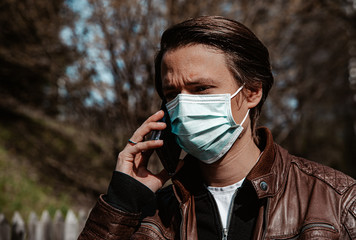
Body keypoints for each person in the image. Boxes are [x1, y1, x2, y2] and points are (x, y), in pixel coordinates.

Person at [78, 16, 356, 239]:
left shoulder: (336, 200)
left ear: (252, 92)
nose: (184, 106)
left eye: (201, 89)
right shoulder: (151, 212)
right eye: (172, 94)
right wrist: (122, 202)